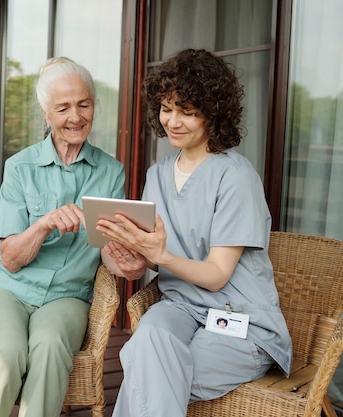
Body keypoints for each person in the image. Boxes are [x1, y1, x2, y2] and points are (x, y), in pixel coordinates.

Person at [94, 49, 292, 417]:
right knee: (150, 340)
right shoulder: (157, 174)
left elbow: (217, 276)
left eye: (188, 111)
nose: (173, 121)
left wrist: (160, 256)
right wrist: (131, 259)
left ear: (213, 114)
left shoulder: (236, 176)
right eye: (167, 109)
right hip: (179, 308)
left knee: (148, 367)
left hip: (240, 322)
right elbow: (151, 256)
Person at [0, 57, 146, 417]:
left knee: (49, 347)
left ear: (94, 106)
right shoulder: (20, 167)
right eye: (63, 108)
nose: (75, 117)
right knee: (6, 351)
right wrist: (43, 225)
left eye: (84, 104)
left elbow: (105, 246)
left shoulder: (111, 171)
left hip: (68, 296)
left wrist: (127, 264)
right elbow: (10, 259)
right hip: (7, 289)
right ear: (46, 114)